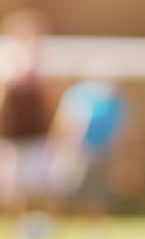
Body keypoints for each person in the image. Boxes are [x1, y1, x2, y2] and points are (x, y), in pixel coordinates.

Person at [0, 10, 57, 235]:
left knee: (38, 191)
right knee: (5, 193)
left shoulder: (44, 62)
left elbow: (52, 101)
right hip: (5, 140)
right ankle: (6, 236)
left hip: (36, 140)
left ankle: (32, 236)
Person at [48, 78, 128, 220]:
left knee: (97, 196)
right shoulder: (76, 97)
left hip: (102, 154)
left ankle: (95, 232)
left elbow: (121, 132)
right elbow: (62, 124)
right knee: (71, 195)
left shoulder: (114, 102)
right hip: (78, 154)